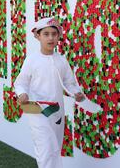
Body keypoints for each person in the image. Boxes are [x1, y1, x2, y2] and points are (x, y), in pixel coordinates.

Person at [15, 17, 85, 168]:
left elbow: (69, 83)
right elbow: (21, 82)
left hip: (57, 112)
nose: (50, 38)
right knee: (45, 149)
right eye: (46, 34)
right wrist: (22, 94)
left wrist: (76, 93)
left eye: (54, 34)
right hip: (37, 112)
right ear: (37, 36)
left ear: (58, 36)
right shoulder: (31, 60)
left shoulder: (61, 61)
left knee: (55, 149)